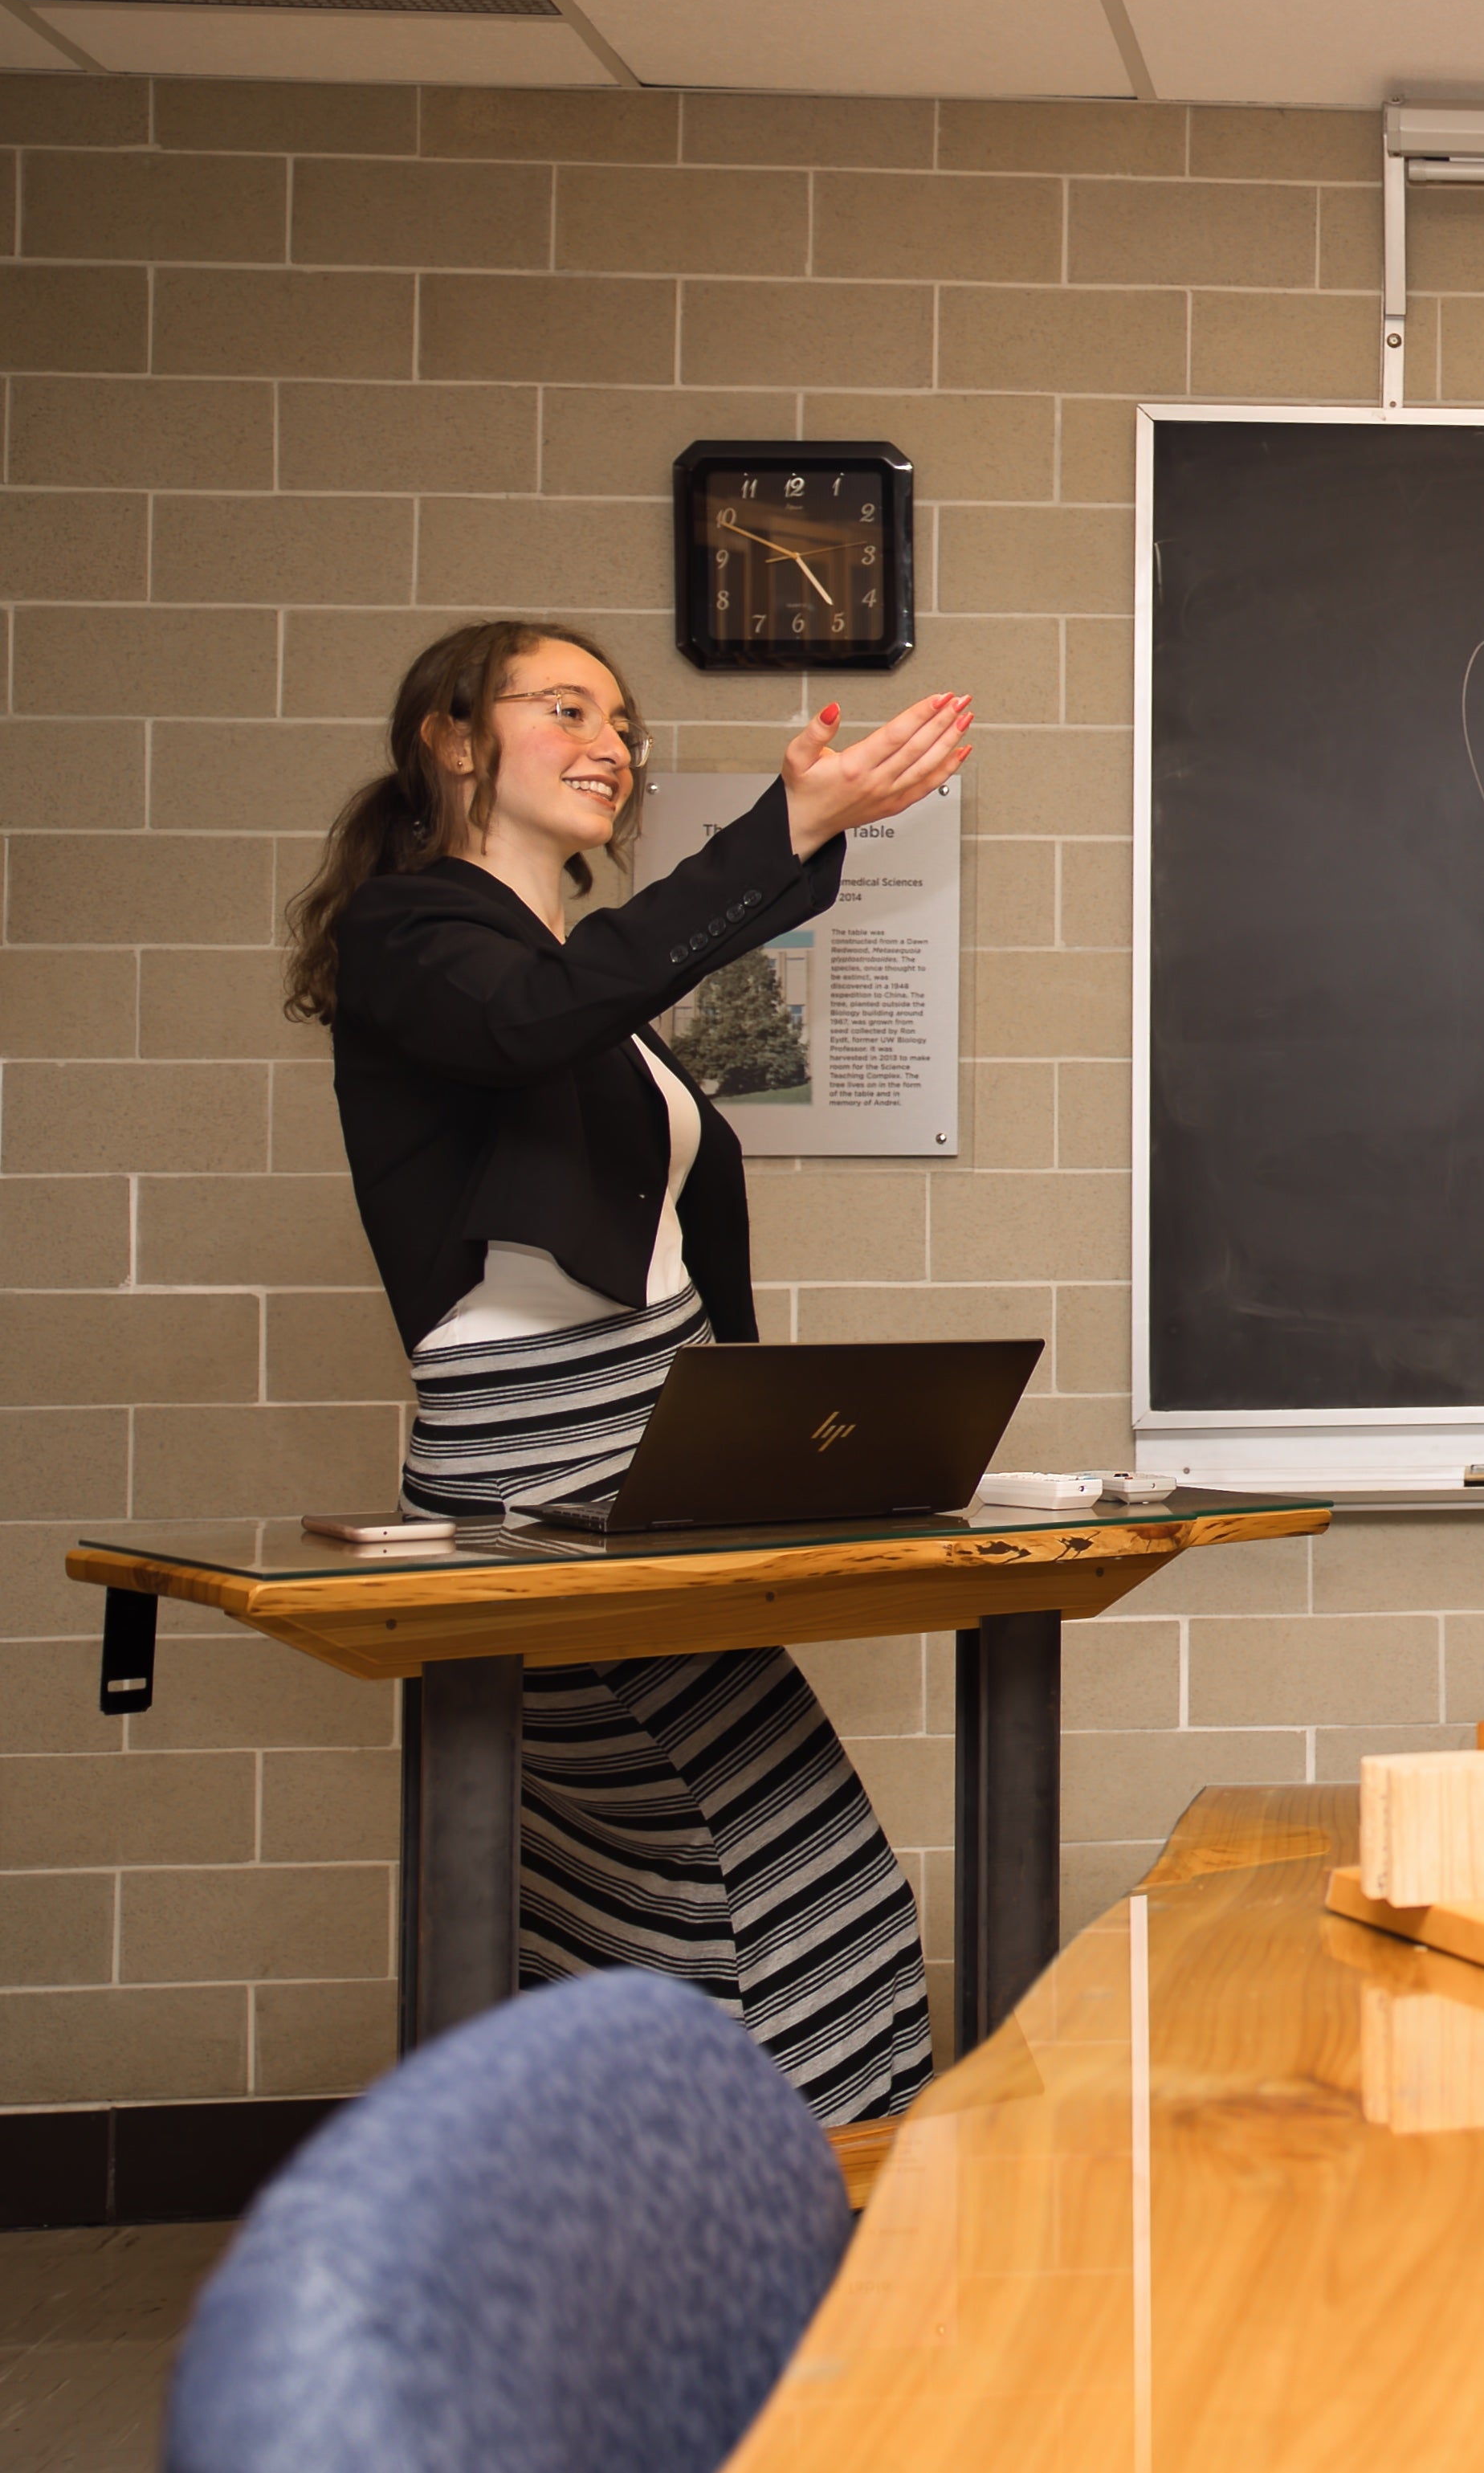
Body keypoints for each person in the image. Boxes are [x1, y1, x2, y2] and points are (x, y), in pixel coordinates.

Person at [284, 619, 973, 2126]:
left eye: (622, 717)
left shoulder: (567, 980)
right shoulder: (412, 935)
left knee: (638, 1902)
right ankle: (775, 2227)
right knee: (765, 1884)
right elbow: (540, 1017)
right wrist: (786, 827)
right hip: (541, 1469)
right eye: (565, 707)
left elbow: (583, 1002)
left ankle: (633, 2231)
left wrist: (811, 834)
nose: (612, 738)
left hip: (646, 1460)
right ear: (453, 741)